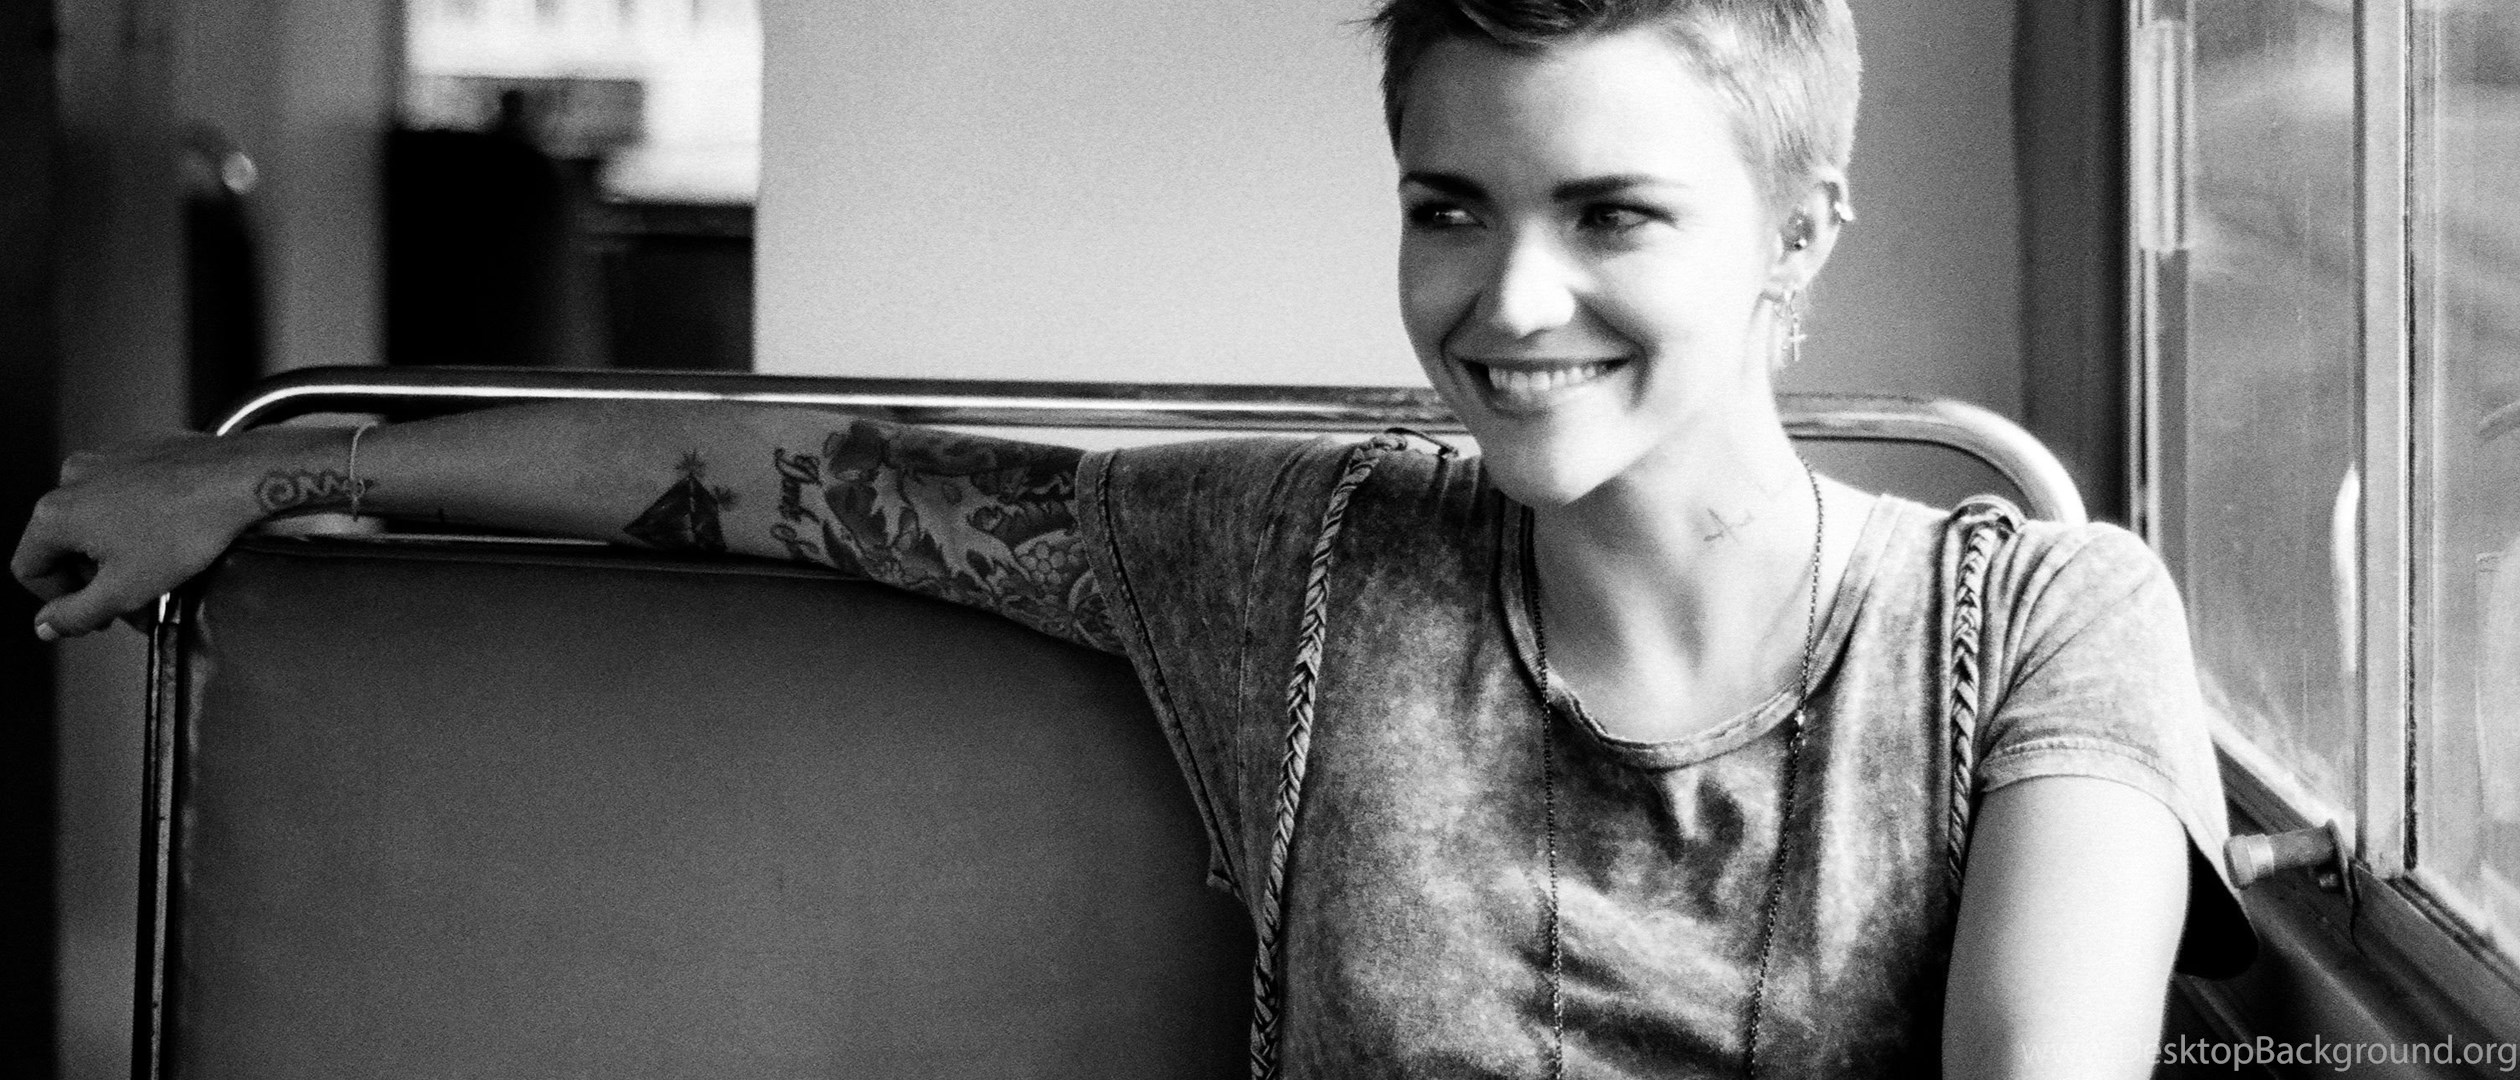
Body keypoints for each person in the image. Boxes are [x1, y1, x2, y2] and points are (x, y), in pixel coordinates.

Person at [15, 0, 2254, 1075]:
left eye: (1613, 215)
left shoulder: (2042, 621)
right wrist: (271, 475)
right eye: (1450, 206)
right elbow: (786, 472)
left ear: (1803, 233)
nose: (1509, 301)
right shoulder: (1299, 570)